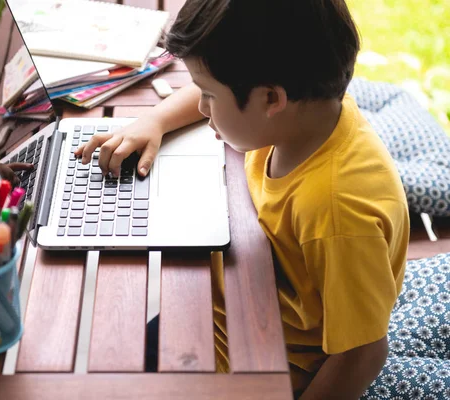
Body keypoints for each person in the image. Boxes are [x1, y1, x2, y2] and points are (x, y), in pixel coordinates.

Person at [75, 0, 410, 398]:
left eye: (209, 97)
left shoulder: (337, 213)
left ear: (271, 99)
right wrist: (154, 120)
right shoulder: (307, 111)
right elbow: (224, 83)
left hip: (260, 362)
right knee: (107, 348)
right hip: (230, 299)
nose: (201, 107)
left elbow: (363, 355)